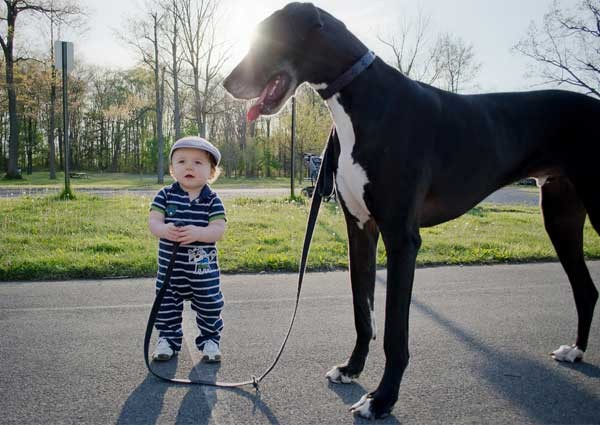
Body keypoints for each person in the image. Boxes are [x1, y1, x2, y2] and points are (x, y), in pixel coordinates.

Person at [148, 136, 226, 363]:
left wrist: (200, 234)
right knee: (166, 305)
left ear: (211, 172)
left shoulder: (212, 200)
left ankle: (210, 340)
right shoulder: (165, 195)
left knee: (209, 304)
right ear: (172, 169)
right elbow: (153, 222)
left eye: (198, 162)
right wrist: (163, 230)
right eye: (181, 162)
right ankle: (167, 339)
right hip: (171, 270)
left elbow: (218, 229)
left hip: (203, 271)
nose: (189, 167)